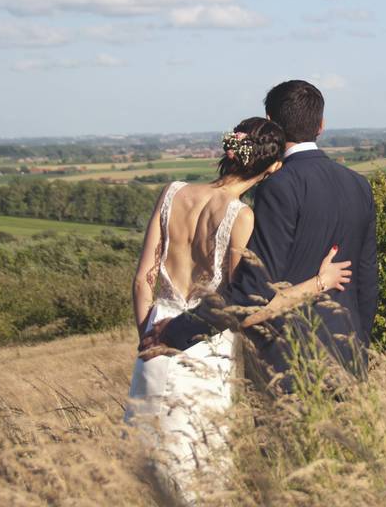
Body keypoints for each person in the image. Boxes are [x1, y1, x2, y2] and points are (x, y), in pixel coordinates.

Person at [125, 116, 351, 505]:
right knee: (197, 467)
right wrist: (321, 282)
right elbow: (247, 309)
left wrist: (149, 331)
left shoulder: (172, 193)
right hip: (203, 349)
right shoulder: (239, 216)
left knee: (145, 465)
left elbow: (143, 276)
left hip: (154, 337)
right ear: (274, 166)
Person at [142, 79, 380, 390]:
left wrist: (174, 332)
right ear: (321, 126)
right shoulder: (359, 184)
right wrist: (358, 347)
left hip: (286, 360)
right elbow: (367, 281)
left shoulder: (278, 186)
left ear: (271, 122)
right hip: (348, 354)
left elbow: (252, 292)